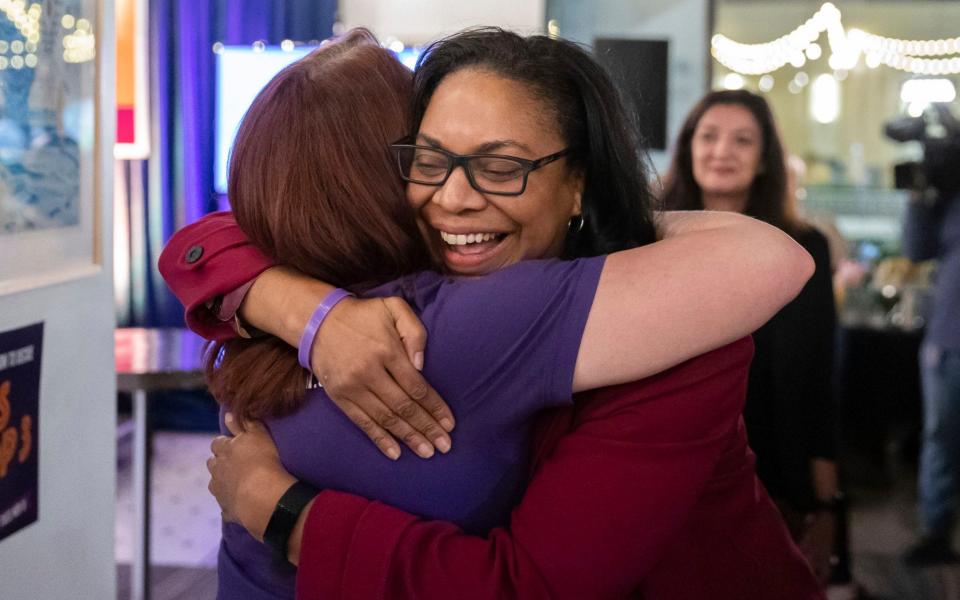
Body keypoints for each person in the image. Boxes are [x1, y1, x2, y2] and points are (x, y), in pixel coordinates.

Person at [161, 28, 823, 598]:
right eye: (428, 161)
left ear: (577, 184)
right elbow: (206, 240)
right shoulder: (398, 304)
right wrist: (305, 309)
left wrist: (281, 512)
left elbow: (531, 584)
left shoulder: (683, 331)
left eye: (501, 167)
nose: (453, 198)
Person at [661, 89, 840, 585]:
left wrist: (826, 507)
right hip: (670, 484)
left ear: (764, 161)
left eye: (743, 140)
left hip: (777, 483)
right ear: (688, 149)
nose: (723, 151)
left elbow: (820, 381)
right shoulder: (644, 238)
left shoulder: (805, 249)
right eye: (710, 136)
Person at [900, 168, 960, 566]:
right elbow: (917, 247)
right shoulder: (951, 191)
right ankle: (936, 533)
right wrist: (924, 191)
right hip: (949, 339)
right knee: (940, 439)